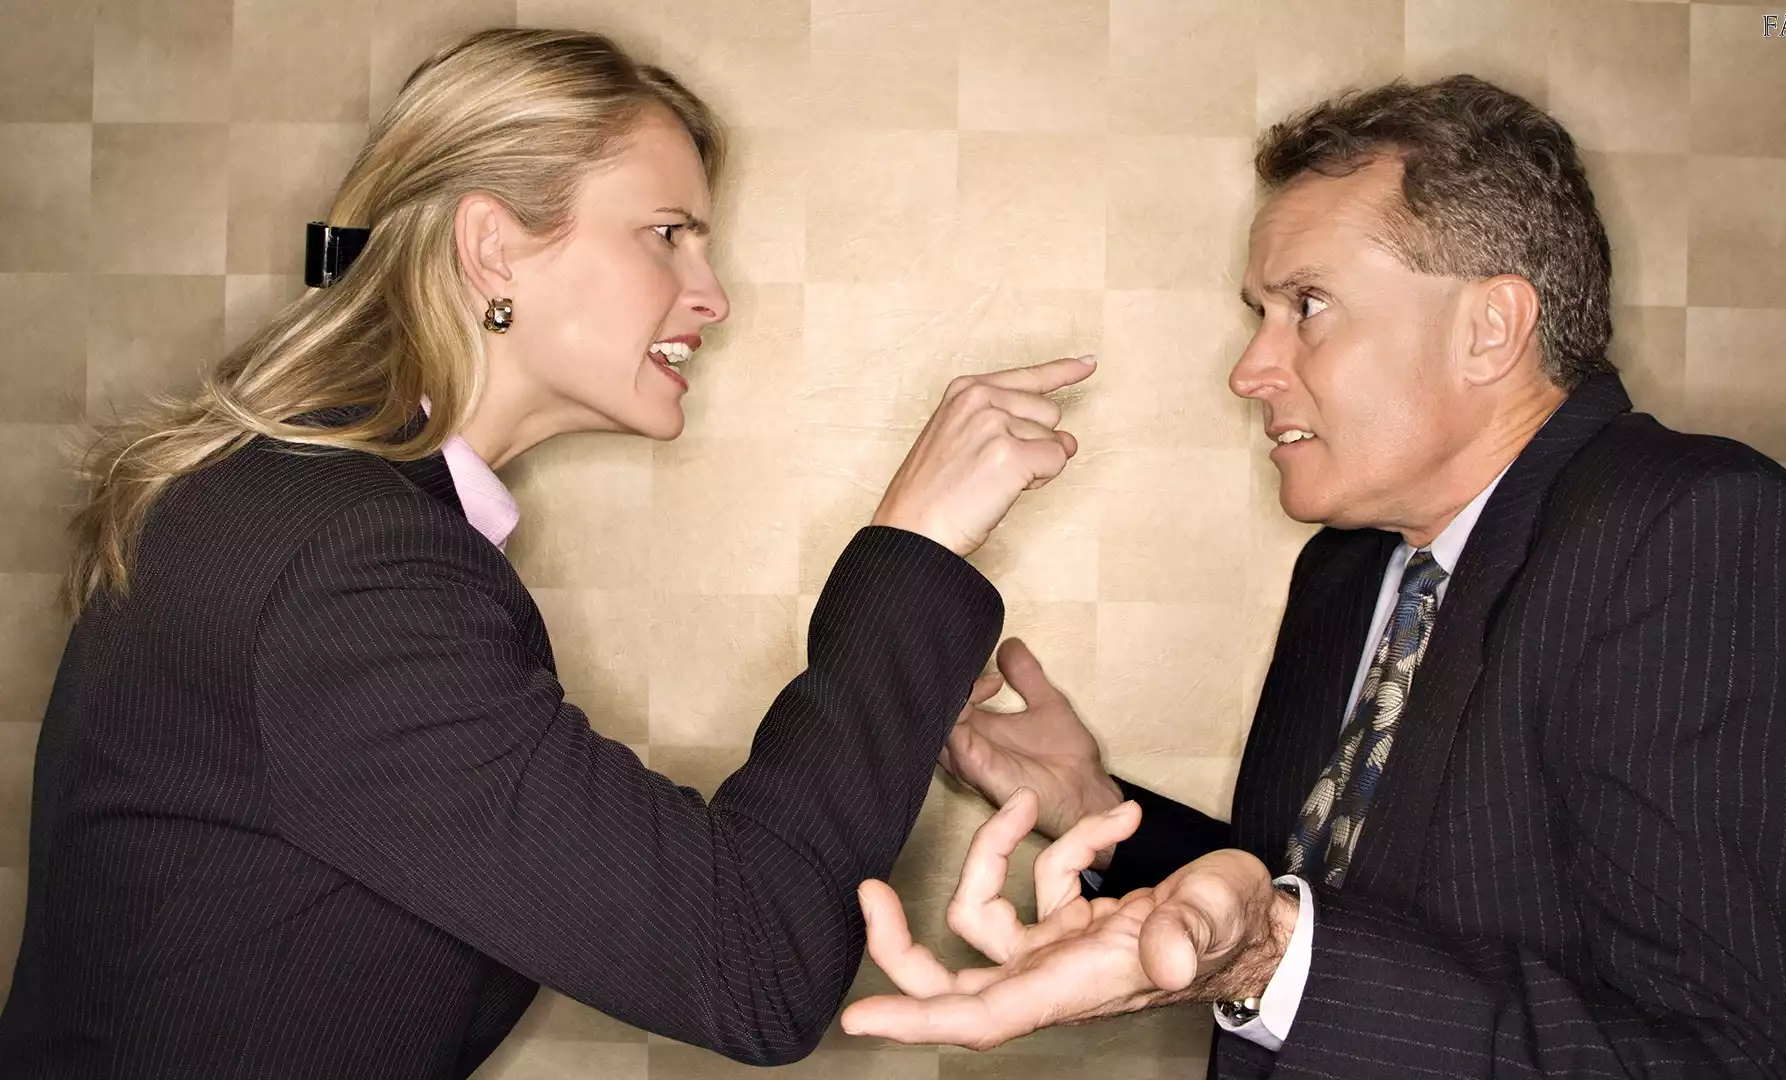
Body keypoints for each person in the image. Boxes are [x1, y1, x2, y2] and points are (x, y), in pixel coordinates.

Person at [0, 28, 1094, 1080]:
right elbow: (755, 958)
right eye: (667, 234)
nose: (714, 296)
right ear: (491, 247)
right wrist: (916, 546)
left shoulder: (317, 515)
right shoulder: (344, 563)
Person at [843, 75, 1786, 1080]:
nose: (1249, 371)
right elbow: (1318, 898)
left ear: (1490, 328)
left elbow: (1744, 1061)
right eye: (1260, 313)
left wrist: (1265, 956)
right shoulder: (1348, 571)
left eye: (1306, 304)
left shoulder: (1702, 537)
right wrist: (1097, 805)